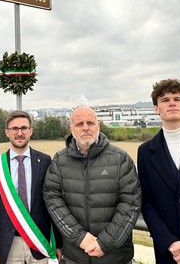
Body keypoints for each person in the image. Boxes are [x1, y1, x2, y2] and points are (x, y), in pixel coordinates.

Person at [43, 106, 141, 264]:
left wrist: (105, 243)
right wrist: (79, 237)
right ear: (71, 129)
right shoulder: (59, 161)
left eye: (90, 122)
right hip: (75, 256)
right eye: (79, 124)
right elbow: (52, 200)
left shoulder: (120, 158)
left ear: (98, 125)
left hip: (115, 257)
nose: (85, 127)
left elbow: (131, 203)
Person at [0, 110, 62, 264]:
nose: (19, 133)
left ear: (30, 131)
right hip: (9, 244)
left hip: (40, 243)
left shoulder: (45, 161)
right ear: (7, 132)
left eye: (24, 128)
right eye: (14, 129)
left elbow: (54, 204)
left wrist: (58, 244)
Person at [137, 78, 180, 264]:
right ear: (156, 109)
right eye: (165, 100)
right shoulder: (145, 152)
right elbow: (147, 202)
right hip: (168, 253)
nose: (172, 103)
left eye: (177, 98)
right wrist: (169, 243)